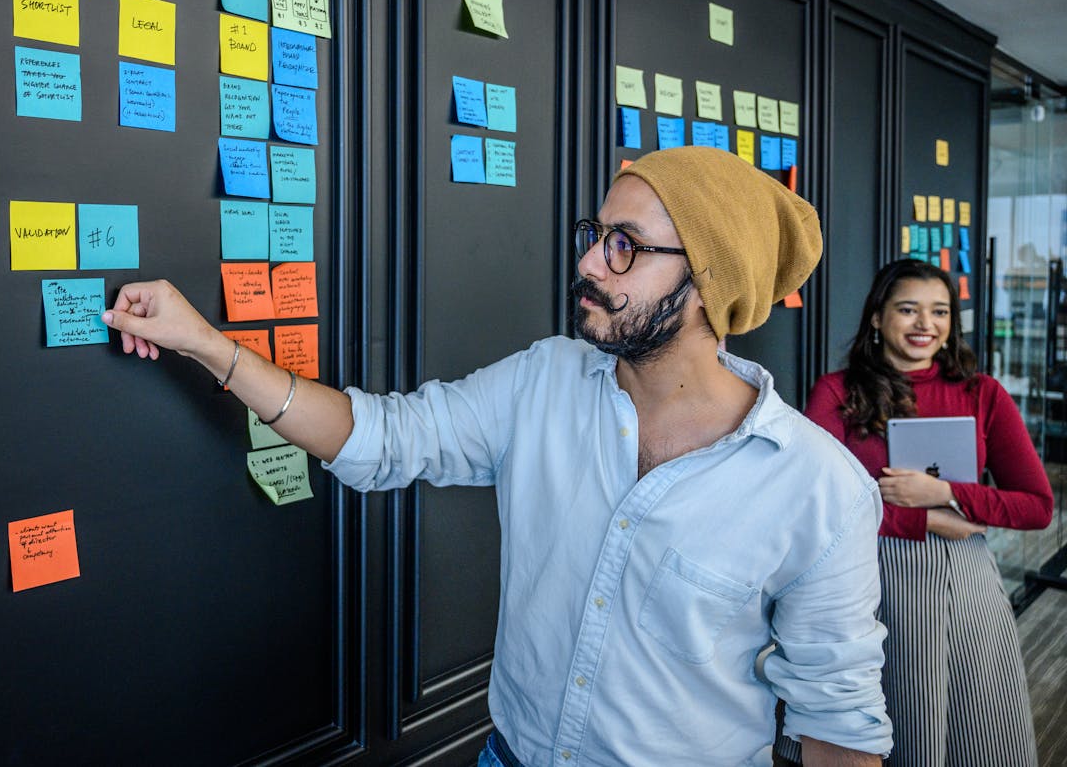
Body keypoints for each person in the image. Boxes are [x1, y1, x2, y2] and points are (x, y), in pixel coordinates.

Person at [102, 147, 892, 766]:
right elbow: (384, 437)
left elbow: (838, 723)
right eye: (596, 235)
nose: (588, 263)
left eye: (625, 247)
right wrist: (207, 342)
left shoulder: (819, 489)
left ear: (708, 284)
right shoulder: (544, 380)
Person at [780, 258, 1053, 767]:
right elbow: (810, 505)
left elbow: (1037, 507)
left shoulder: (982, 394)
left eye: (940, 312)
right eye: (909, 309)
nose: (926, 325)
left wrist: (942, 491)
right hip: (863, 579)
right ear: (878, 318)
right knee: (892, 724)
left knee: (977, 729)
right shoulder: (837, 392)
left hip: (966, 585)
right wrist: (921, 519)